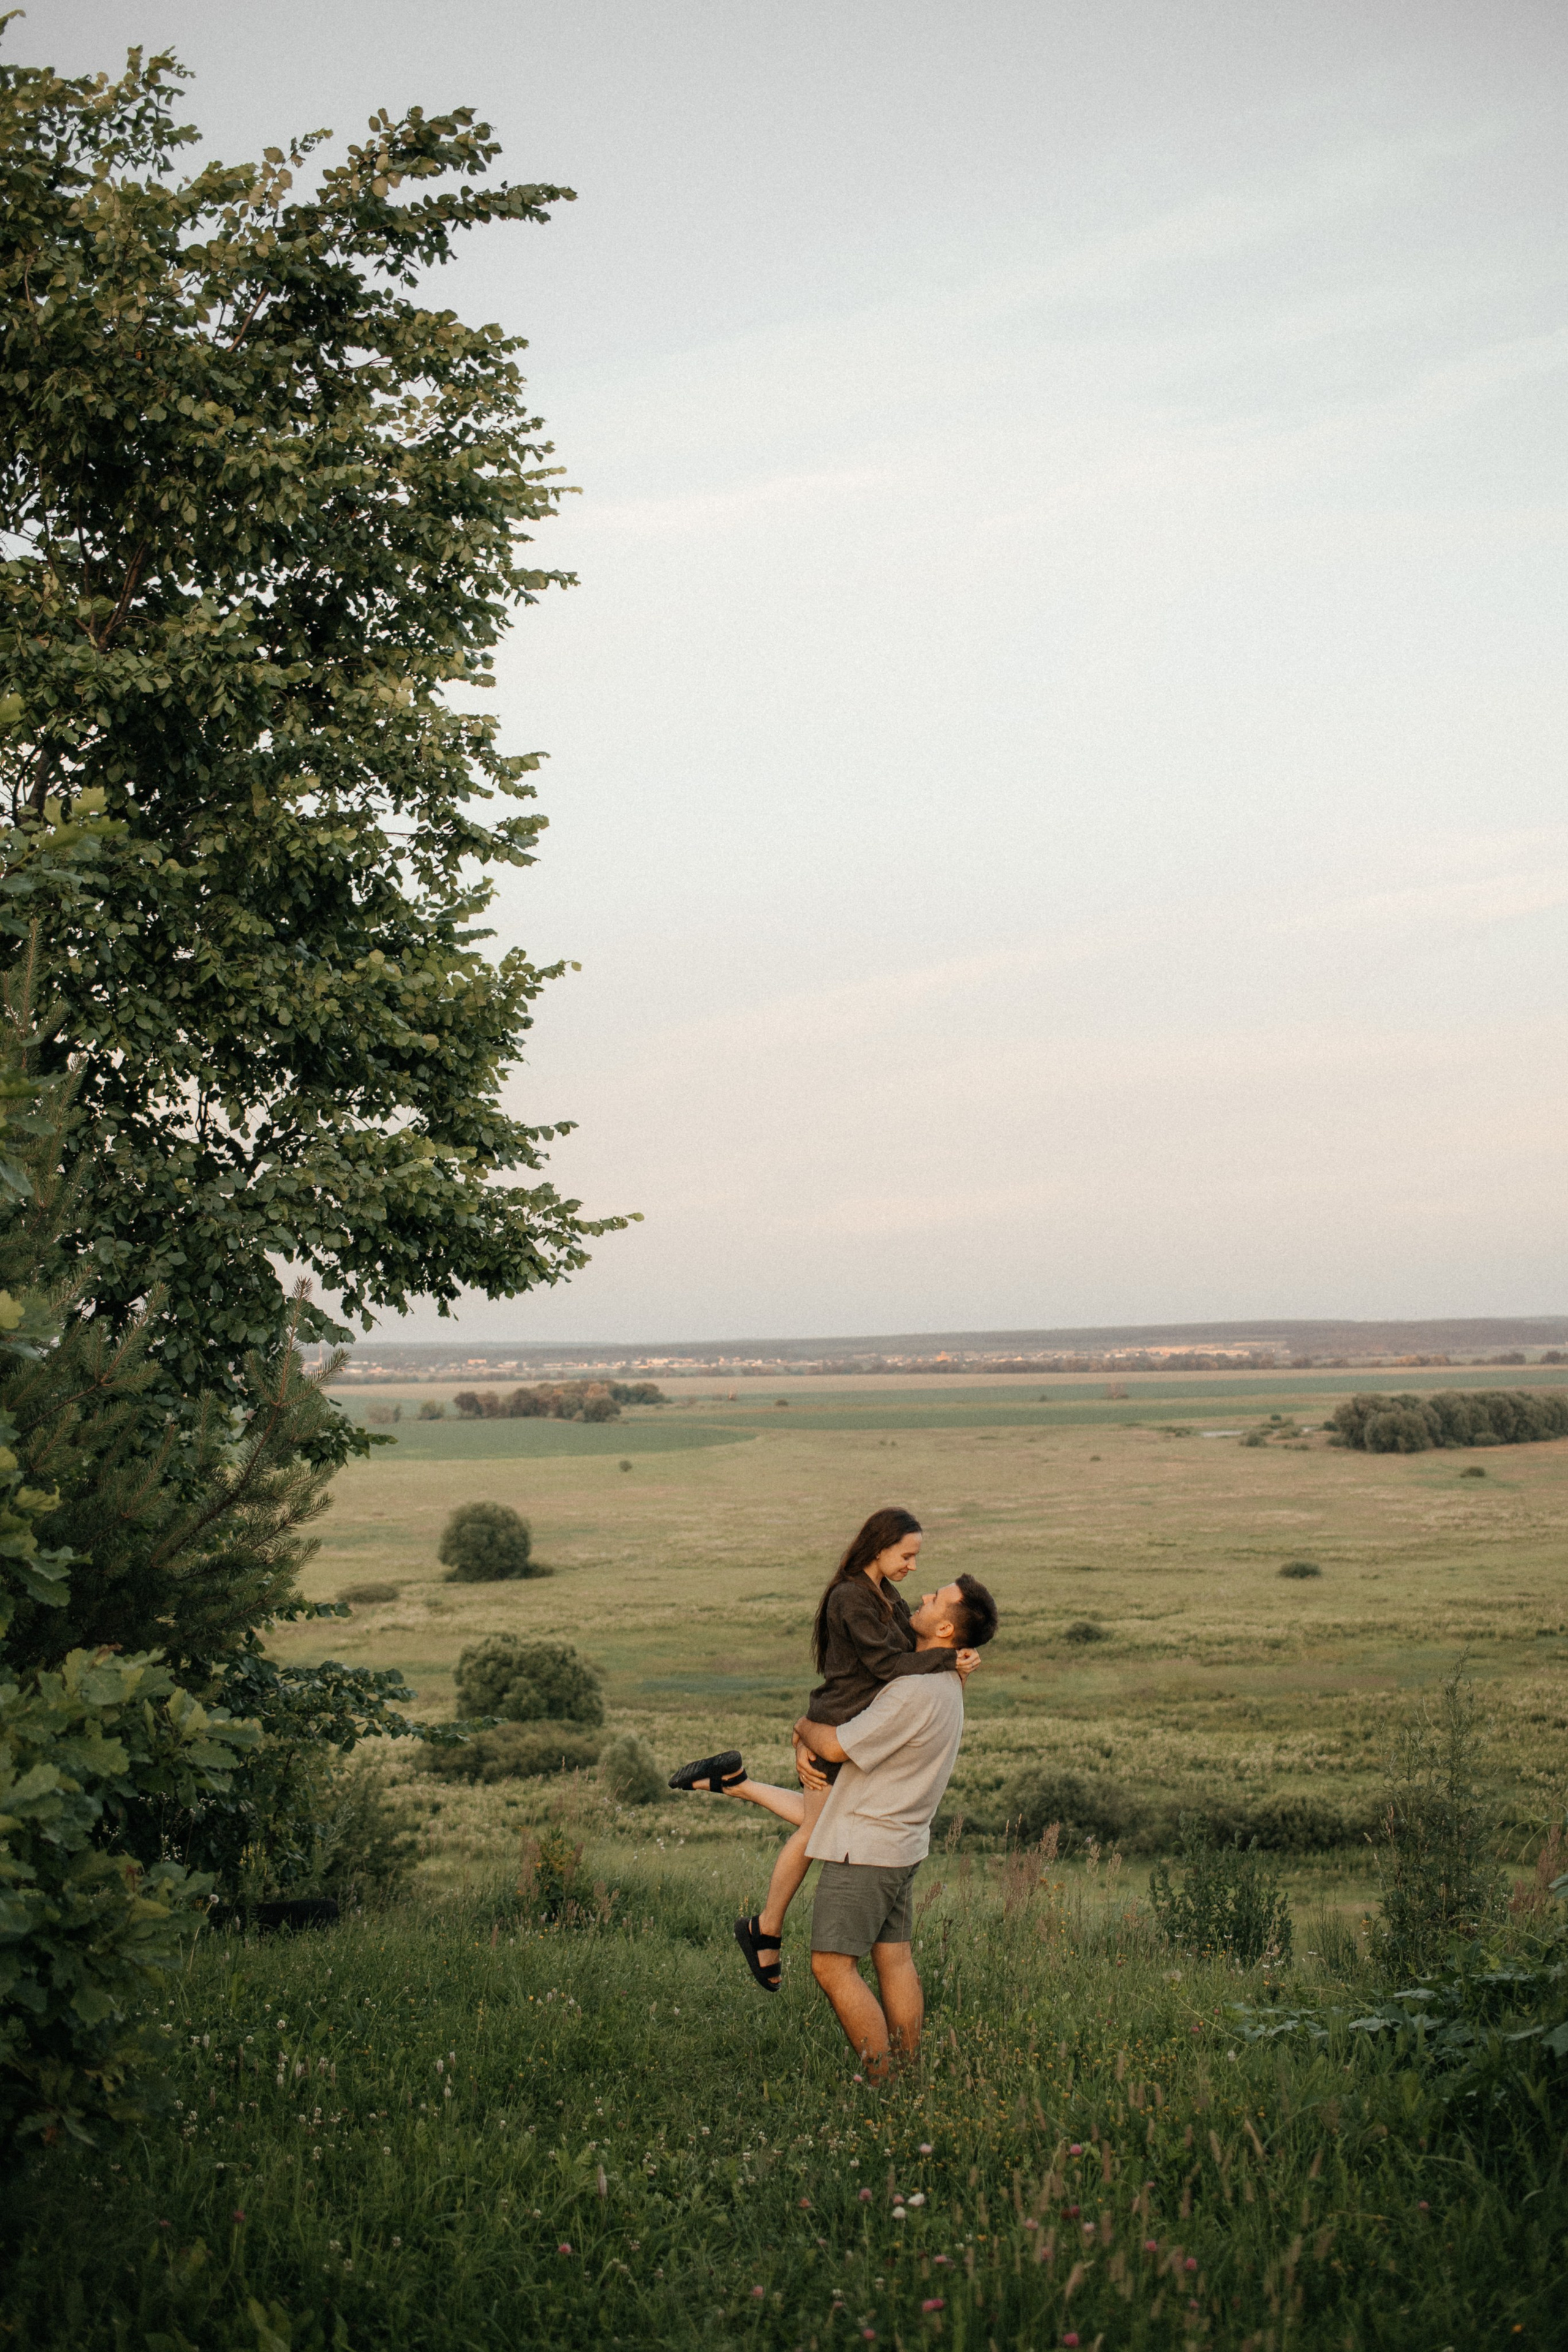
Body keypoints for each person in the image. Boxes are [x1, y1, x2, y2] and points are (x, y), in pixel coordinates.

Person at [668, 1507, 981, 1990]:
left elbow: (906, 1646)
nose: (914, 1567)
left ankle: (735, 1783)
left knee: (829, 1817)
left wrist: (956, 1657)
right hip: (837, 1719)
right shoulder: (850, 1597)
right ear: (880, 1547)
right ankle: (765, 1930)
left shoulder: (883, 1594)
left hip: (845, 1717)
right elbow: (884, 1663)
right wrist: (947, 1657)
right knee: (817, 1830)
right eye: (908, 1555)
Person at [796, 1575, 997, 2078]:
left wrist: (803, 1727)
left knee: (832, 1965)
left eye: (937, 1599)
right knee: (895, 1958)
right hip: (903, 1844)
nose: (925, 1597)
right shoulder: (950, 1682)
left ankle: (884, 2084)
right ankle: (908, 2074)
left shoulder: (914, 1690)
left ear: (947, 1628)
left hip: (866, 1847)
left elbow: (838, 1746)